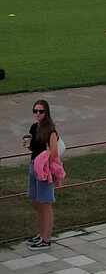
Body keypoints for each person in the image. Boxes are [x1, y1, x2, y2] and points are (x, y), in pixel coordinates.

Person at [24, 99, 59, 250]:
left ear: (46, 112)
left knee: (45, 203)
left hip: (43, 169)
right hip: (33, 165)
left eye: (41, 111)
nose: (37, 113)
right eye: (35, 111)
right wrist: (28, 146)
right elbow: (35, 148)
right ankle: (41, 234)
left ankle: (46, 239)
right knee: (37, 202)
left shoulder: (50, 130)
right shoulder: (34, 127)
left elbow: (54, 150)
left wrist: (44, 165)